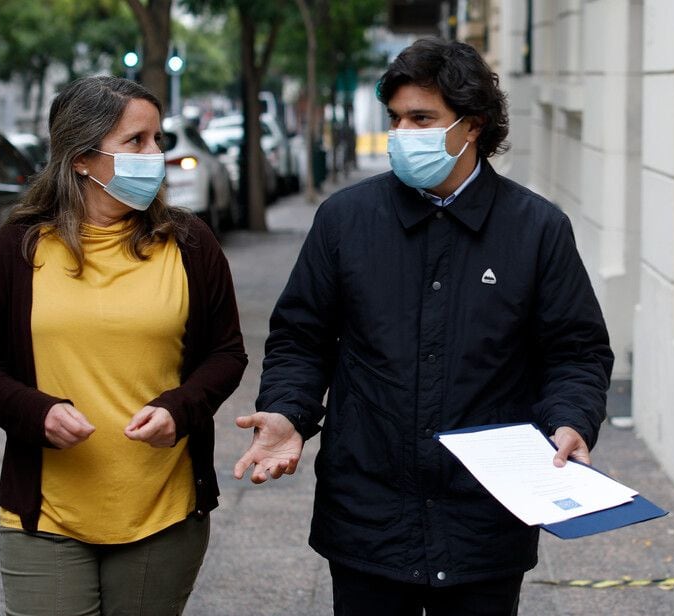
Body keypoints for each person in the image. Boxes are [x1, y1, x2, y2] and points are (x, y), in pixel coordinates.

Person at [234, 38, 614, 616]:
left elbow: (577, 352)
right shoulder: (345, 220)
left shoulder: (536, 229)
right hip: (368, 520)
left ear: (472, 127)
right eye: (395, 119)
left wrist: (570, 421)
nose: (401, 133)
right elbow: (300, 338)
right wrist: (288, 412)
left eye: (421, 118)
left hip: (486, 521)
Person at [0, 76, 247, 615]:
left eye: (157, 139)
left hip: (163, 511)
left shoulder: (190, 244)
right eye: (135, 141)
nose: (155, 154)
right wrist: (35, 411)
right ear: (80, 158)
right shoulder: (17, 248)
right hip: (46, 514)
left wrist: (178, 410)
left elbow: (227, 354)